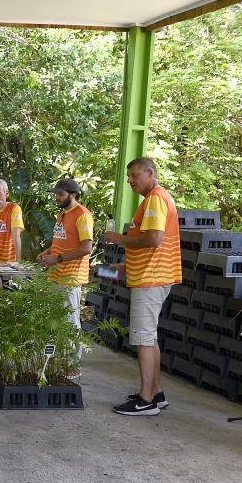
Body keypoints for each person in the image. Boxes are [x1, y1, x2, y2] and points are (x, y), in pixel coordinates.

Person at [106, 157, 181, 416]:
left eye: (135, 175)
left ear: (150, 173)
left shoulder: (156, 199)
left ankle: (146, 400)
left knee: (143, 338)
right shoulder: (156, 199)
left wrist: (120, 238)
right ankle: (156, 392)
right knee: (149, 337)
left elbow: (153, 239)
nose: (130, 181)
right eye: (129, 177)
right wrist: (127, 267)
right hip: (152, 275)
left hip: (151, 279)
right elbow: (152, 242)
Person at [36, 178, 93, 373]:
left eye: (60, 194)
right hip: (56, 274)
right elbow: (64, 240)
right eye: (56, 194)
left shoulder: (82, 215)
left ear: (73, 194)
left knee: (70, 322)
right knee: (56, 321)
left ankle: (72, 365)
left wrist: (57, 258)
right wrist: (48, 251)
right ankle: (58, 361)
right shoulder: (62, 214)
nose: (56, 197)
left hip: (70, 276)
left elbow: (86, 247)